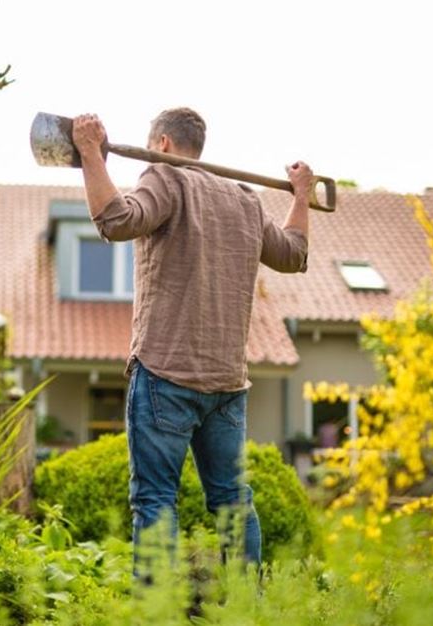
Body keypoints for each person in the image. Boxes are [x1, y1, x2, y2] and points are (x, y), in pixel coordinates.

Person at [71, 108, 312, 576]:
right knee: (232, 501)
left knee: (156, 500)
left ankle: (157, 611)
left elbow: (117, 220)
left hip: (166, 373)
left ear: (161, 143)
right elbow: (293, 253)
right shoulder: (245, 200)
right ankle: (247, 607)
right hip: (226, 384)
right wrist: (300, 196)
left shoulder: (167, 177)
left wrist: (89, 156)